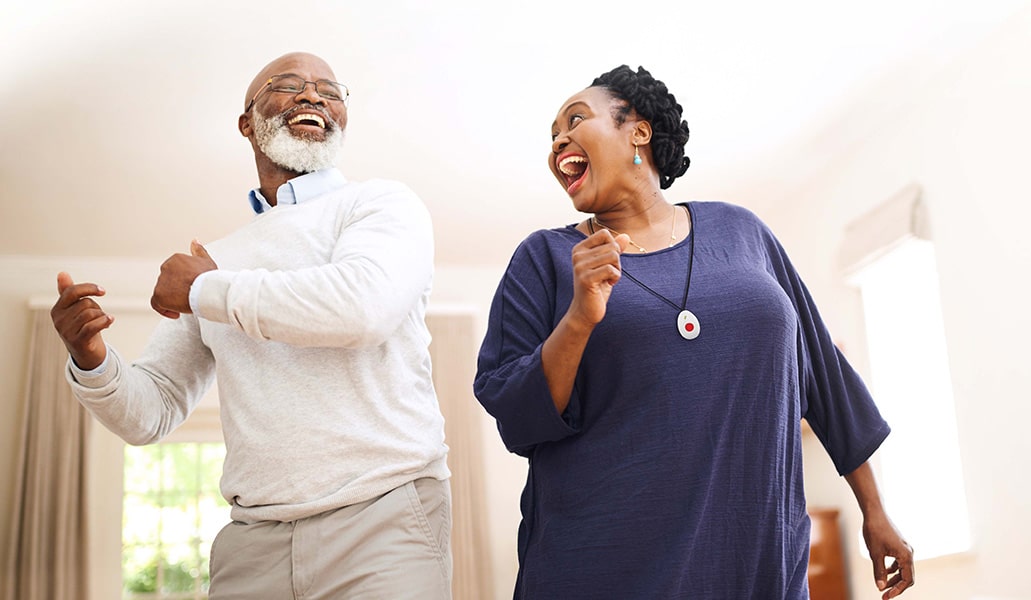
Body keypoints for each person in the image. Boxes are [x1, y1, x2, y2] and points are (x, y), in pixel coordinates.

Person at [474, 65, 914, 599]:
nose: (558, 142)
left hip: (753, 563)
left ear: (637, 129)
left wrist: (874, 510)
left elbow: (822, 372)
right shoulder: (545, 259)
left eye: (575, 119)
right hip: (601, 569)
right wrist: (579, 319)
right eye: (552, 137)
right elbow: (514, 413)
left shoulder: (742, 231)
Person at [50, 52, 451, 599]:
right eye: (288, 86)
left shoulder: (379, 204)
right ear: (248, 121)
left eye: (329, 91)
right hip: (253, 542)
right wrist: (91, 357)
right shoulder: (217, 258)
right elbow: (152, 410)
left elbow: (364, 307)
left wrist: (202, 288)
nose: (313, 96)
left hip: (381, 519)